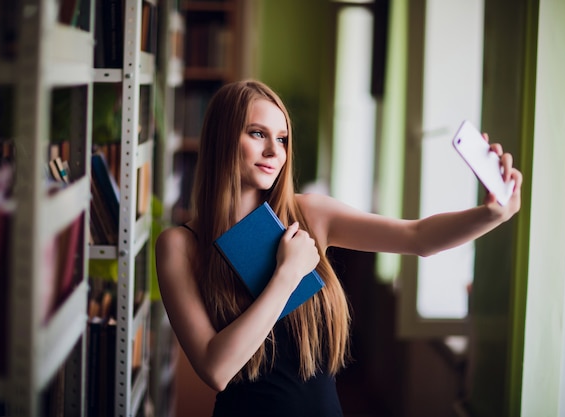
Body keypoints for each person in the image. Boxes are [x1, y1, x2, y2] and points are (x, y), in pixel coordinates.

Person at [155, 80, 522, 417]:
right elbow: (216, 369)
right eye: (257, 133)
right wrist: (287, 274)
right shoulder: (179, 246)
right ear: (222, 137)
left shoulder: (310, 214)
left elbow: (418, 238)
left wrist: (490, 215)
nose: (273, 150)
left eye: (282, 139)